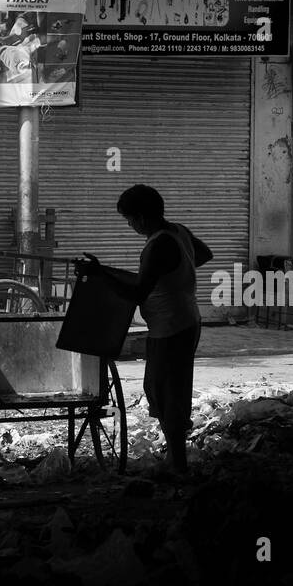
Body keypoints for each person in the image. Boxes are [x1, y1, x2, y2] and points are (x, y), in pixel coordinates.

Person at [77, 185, 212, 477]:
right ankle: (176, 460)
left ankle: (178, 465)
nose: (129, 225)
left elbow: (137, 293)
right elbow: (203, 254)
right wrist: (177, 272)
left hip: (171, 327)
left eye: (129, 219)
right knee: (161, 389)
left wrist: (100, 274)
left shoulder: (159, 244)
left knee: (167, 394)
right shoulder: (177, 231)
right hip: (183, 320)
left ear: (141, 217)